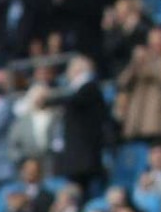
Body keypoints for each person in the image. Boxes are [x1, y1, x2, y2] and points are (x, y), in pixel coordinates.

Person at [38, 55, 109, 195]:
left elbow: (73, 101)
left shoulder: (89, 88)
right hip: (79, 155)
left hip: (83, 154)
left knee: (82, 190)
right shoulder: (85, 90)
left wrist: (48, 99)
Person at [116, 27, 161, 143]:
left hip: (158, 121)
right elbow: (122, 82)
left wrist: (150, 65)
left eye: (159, 39)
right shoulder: (141, 60)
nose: (155, 43)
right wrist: (134, 63)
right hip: (137, 121)